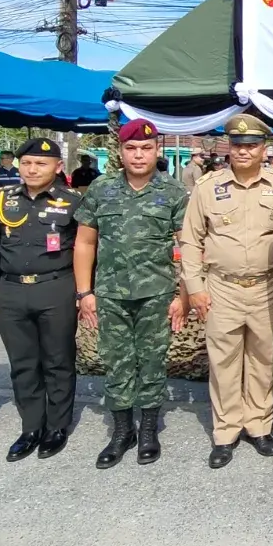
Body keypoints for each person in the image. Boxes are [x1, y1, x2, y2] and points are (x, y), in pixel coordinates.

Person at [73, 118, 189, 469]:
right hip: (110, 294)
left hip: (157, 293)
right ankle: (122, 432)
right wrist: (84, 293)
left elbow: (187, 247)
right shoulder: (101, 188)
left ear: (156, 151)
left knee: (153, 361)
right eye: (131, 148)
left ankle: (149, 430)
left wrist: (182, 296)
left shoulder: (173, 192)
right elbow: (85, 242)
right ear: (121, 152)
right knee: (116, 361)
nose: (139, 155)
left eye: (146, 148)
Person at [181, 115, 273, 469]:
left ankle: (259, 426)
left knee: (264, 359)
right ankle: (226, 431)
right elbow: (191, 240)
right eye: (238, 144)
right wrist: (195, 287)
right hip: (222, 287)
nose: (244, 151)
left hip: (267, 285)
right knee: (224, 362)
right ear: (229, 147)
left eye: (252, 145)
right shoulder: (207, 187)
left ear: (264, 149)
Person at [0, 138, 81, 462]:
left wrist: (83, 291)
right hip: (11, 289)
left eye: (40, 163)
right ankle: (31, 427)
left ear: (57, 167)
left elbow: (85, 247)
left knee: (58, 360)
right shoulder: (2, 198)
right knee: (23, 363)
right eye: (26, 163)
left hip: (56, 287)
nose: (32, 169)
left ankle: (57, 426)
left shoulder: (72, 202)